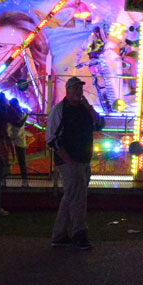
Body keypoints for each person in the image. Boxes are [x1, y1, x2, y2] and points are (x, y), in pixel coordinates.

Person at [46, 76, 105, 250]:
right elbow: (51, 137)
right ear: (68, 91)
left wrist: (89, 107)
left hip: (83, 158)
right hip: (69, 160)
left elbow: (100, 124)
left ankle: (59, 235)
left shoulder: (84, 110)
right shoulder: (59, 110)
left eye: (80, 89)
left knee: (70, 197)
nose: (79, 93)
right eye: (75, 90)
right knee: (78, 198)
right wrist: (67, 159)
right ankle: (80, 233)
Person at [7, 98, 30, 186]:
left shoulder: (8, 114)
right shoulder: (23, 114)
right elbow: (20, 124)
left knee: (6, 160)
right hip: (20, 139)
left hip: (10, 138)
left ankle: (3, 179)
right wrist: (26, 114)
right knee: (22, 161)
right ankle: (25, 181)